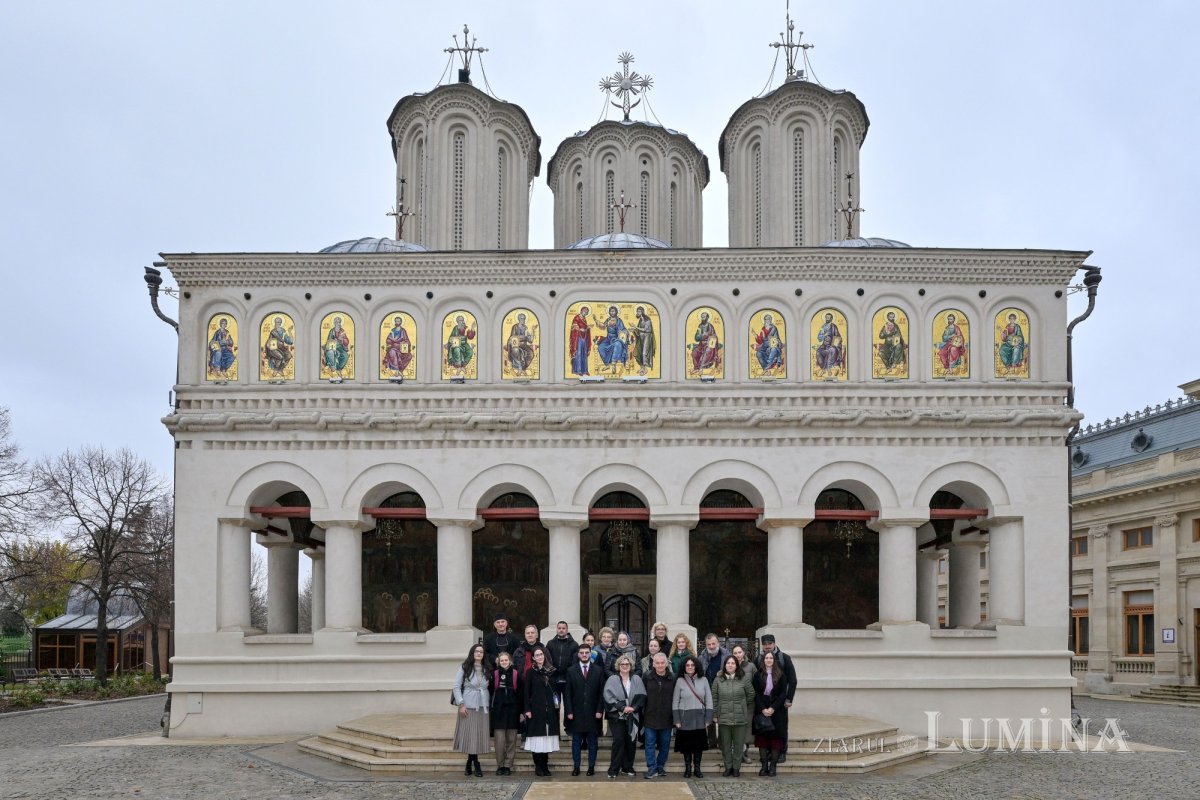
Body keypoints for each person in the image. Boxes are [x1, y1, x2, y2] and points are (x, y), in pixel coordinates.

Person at [564, 642, 606, 776]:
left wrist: (600, 710)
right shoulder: (571, 670)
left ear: (590, 654)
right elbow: (567, 693)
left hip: (593, 713)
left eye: (586, 653)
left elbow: (601, 693)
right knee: (576, 742)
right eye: (581, 653)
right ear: (578, 654)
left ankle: (591, 767)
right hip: (576, 713)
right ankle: (576, 767)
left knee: (593, 742)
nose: (584, 655)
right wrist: (569, 711)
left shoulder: (598, 670)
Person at [451, 644, 492, 778]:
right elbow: (456, 686)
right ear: (472, 653)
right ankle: (476, 763)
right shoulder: (465, 667)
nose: (479, 653)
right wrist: (461, 704)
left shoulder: (487, 668)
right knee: (470, 734)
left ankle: (469, 762)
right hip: (468, 706)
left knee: (477, 735)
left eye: (481, 651)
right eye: (476, 651)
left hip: (482, 706)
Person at [755, 634, 797, 762]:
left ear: (774, 644)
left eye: (770, 644)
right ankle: (768, 751)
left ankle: (782, 751)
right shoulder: (758, 659)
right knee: (766, 727)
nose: (767, 646)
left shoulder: (784, 658)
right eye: (765, 644)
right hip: (765, 701)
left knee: (781, 728)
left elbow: (793, 680)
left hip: (780, 700)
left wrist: (789, 699)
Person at [604, 655, 646, 778]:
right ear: (618, 666)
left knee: (631, 741)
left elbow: (642, 695)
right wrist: (622, 707)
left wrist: (634, 708)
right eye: (622, 664)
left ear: (631, 666)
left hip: (633, 715)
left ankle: (627, 767)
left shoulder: (637, 678)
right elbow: (608, 696)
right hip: (617, 716)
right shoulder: (612, 679)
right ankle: (614, 769)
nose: (625, 666)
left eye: (627, 664)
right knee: (619, 740)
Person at [712, 655, 754, 778]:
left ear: (736, 666)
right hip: (723, 717)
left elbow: (751, 694)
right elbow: (714, 697)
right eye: (728, 663)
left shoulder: (743, 679)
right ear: (724, 665)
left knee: (738, 744)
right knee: (725, 745)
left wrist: (742, 705)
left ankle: (736, 768)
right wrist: (715, 714)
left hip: (740, 718)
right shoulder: (718, 680)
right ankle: (728, 767)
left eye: (733, 663)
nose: (730, 665)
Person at [672, 655, 713, 778]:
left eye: (692, 665)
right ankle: (688, 768)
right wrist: (677, 719)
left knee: (698, 746)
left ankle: (697, 768)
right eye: (687, 665)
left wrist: (708, 718)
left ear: (696, 666)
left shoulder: (704, 680)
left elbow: (709, 700)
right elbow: (675, 701)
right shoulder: (680, 681)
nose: (690, 667)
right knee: (687, 746)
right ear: (684, 667)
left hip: (700, 717)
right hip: (685, 718)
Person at [522, 645, 560, 776]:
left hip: (549, 710)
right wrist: (527, 709)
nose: (539, 657)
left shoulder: (552, 671)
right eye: (537, 655)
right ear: (533, 657)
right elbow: (526, 692)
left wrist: (556, 706)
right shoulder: (530, 672)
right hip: (535, 710)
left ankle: (545, 765)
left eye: (541, 654)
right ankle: (538, 766)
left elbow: (555, 691)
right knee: (537, 739)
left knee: (547, 739)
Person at [752, 650, 788, 776]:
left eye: (770, 658)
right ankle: (764, 766)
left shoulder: (781, 675)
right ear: (763, 660)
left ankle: (773, 766)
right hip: (762, 711)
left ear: (774, 660)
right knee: (762, 740)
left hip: (777, 712)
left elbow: (783, 694)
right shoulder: (757, 675)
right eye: (766, 658)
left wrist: (773, 708)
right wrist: (763, 709)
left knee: (775, 740)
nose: (768, 660)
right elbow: (755, 693)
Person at [641, 652, 676, 779]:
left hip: (667, 717)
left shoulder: (673, 677)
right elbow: (642, 695)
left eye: (662, 663)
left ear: (666, 663)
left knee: (665, 744)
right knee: (649, 743)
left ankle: (660, 766)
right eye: (657, 663)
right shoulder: (647, 676)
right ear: (653, 664)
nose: (660, 665)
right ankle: (651, 767)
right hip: (650, 716)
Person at [490, 651, 522, 776]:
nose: (504, 662)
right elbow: (490, 692)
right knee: (499, 741)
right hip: (498, 712)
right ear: (498, 662)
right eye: (501, 660)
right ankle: (500, 765)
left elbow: (521, 695)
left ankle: (508, 765)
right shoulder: (494, 674)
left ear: (510, 661)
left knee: (511, 740)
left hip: (513, 711)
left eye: (506, 660)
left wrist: (521, 712)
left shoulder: (516, 674)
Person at [545, 620, 578, 714]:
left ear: (567, 629)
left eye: (563, 628)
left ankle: (568, 728)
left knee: (569, 705)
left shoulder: (574, 645)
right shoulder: (550, 643)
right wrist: (550, 674)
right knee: (555, 706)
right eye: (559, 628)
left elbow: (575, 662)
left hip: (567, 679)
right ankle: (554, 728)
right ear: (556, 629)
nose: (561, 630)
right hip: (554, 679)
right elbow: (547, 660)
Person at [732, 644, 756, 765]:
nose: (737, 655)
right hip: (735, 704)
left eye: (739, 652)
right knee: (736, 729)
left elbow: (756, 683)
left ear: (744, 653)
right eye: (735, 653)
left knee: (747, 730)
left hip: (748, 704)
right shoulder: (730, 666)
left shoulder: (751, 666)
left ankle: (744, 754)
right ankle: (737, 754)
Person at [594, 305, 629, 372]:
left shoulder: (619, 320)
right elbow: (603, 326)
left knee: (618, 344)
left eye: (613, 311)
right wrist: (596, 320)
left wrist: (621, 331)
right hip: (608, 339)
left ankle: (613, 364)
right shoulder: (608, 319)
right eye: (611, 311)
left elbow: (623, 330)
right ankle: (607, 364)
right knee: (601, 347)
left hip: (616, 339)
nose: (612, 312)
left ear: (616, 312)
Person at [630, 305, 656, 375]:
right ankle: (641, 367)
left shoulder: (648, 320)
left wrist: (636, 327)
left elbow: (647, 329)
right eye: (637, 311)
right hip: (641, 339)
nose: (637, 313)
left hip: (647, 338)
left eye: (639, 311)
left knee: (644, 353)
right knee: (637, 353)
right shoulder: (640, 320)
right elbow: (638, 333)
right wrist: (634, 330)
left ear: (642, 312)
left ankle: (645, 369)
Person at [569, 305, 592, 376]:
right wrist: (579, 328)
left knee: (584, 353)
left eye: (587, 312)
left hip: (584, 337)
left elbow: (584, 328)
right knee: (578, 353)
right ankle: (578, 370)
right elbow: (574, 326)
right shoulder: (577, 317)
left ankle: (585, 370)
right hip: (577, 338)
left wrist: (587, 328)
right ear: (582, 310)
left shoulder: (584, 319)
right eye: (585, 311)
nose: (585, 313)